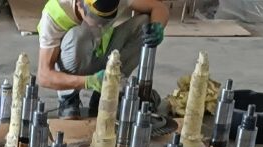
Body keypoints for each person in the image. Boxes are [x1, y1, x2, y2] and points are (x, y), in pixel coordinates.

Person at [36, 0, 170, 119]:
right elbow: (44, 76)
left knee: (145, 23)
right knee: (80, 35)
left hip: (101, 52)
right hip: (75, 62)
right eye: (96, 19)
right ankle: (69, 97)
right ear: (79, 4)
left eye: (104, 21)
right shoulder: (55, 14)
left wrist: (157, 27)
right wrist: (89, 81)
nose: (100, 26)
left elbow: (159, 7)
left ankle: (105, 93)